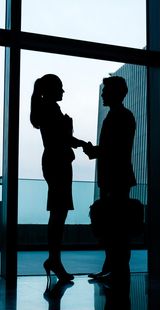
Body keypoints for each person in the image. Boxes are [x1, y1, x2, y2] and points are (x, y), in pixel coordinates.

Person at [30, 73, 85, 283]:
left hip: (55, 161)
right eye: (60, 87)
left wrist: (76, 140)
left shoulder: (47, 109)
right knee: (58, 215)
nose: (63, 91)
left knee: (58, 213)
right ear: (52, 90)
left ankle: (54, 259)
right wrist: (75, 135)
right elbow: (63, 138)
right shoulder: (50, 109)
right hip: (58, 162)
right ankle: (54, 260)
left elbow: (62, 138)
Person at [83, 75, 136, 283]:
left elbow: (115, 150)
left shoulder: (120, 116)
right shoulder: (118, 115)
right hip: (114, 178)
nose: (103, 93)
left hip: (117, 178)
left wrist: (94, 151)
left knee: (116, 228)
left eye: (106, 90)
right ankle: (111, 268)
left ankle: (116, 269)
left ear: (116, 92)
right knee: (112, 226)